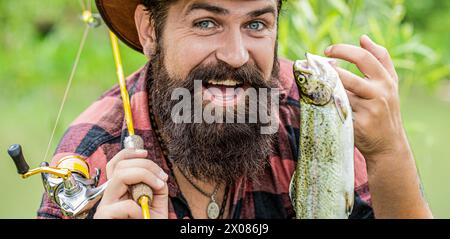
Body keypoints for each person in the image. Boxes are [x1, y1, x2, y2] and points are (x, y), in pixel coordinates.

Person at [37, 0, 433, 219]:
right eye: (207, 23)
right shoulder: (93, 156)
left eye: (256, 25)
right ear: (149, 31)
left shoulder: (310, 111)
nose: (235, 54)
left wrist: (388, 152)